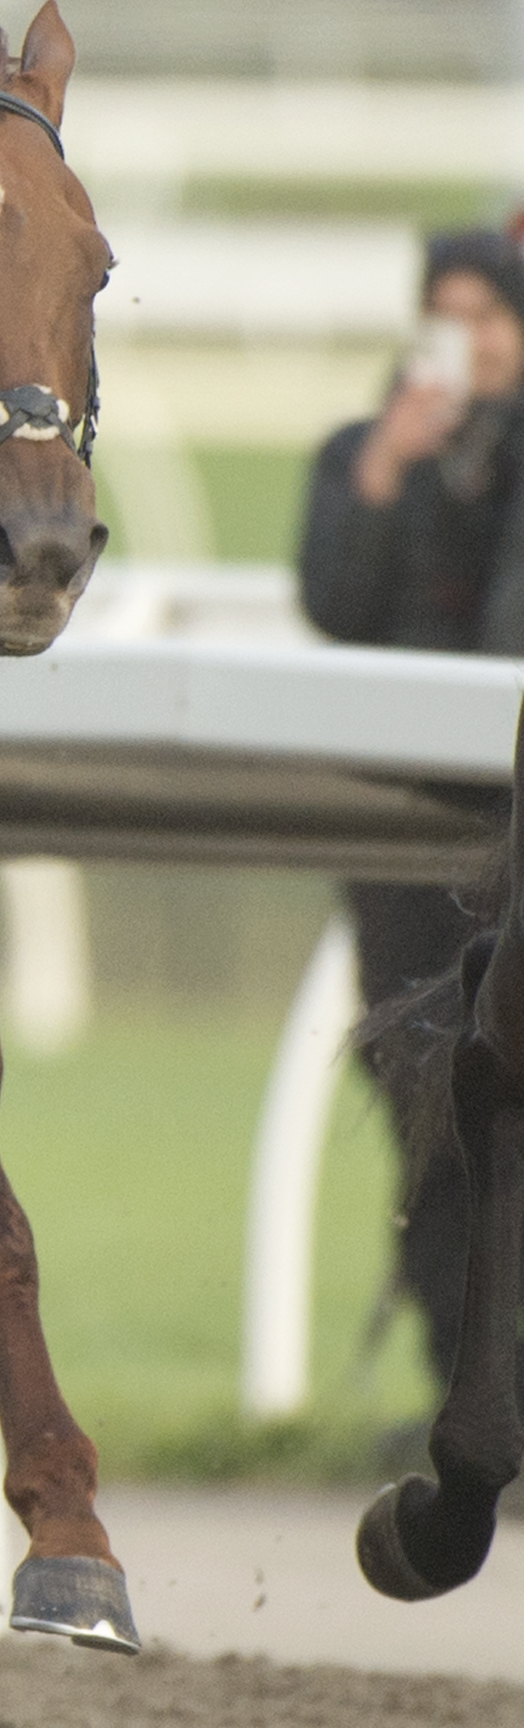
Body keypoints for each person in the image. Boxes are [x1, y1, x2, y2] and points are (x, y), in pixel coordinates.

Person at [301, 227, 524, 1386]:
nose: (471, 342)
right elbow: (333, 600)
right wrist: (389, 472)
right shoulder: (360, 452)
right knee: (425, 1097)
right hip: (404, 838)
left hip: (505, 825)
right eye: (451, 316)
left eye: (491, 318)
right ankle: (461, 1386)